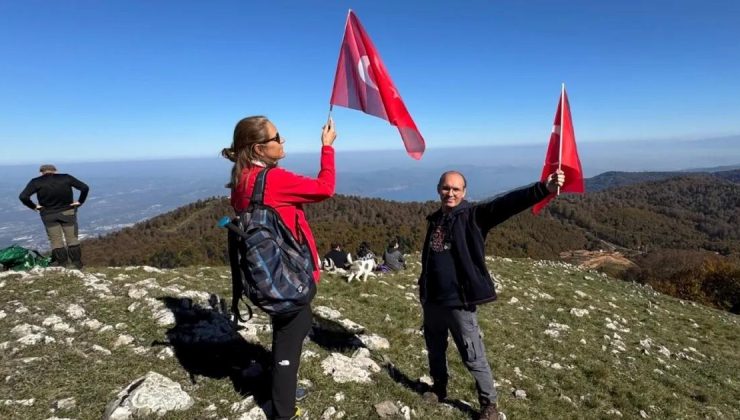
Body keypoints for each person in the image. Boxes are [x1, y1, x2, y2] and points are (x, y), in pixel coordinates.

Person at [418, 169, 565, 420]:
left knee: (473, 355)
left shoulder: (474, 216)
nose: (450, 193)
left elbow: (505, 205)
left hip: (459, 303)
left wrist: (543, 189)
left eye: (455, 189)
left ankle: (489, 405)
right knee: (435, 349)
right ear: (438, 190)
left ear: (464, 193)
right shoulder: (435, 220)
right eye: (446, 188)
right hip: (432, 301)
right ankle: (439, 389)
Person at [222, 115, 336, 420]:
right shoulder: (273, 179)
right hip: (289, 273)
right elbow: (325, 188)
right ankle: (283, 409)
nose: (282, 141)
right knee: (292, 333)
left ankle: (280, 387)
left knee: (286, 327)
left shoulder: (241, 179)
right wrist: (327, 148)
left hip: (267, 273)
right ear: (259, 149)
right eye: (277, 137)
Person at [18, 164, 89, 269]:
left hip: (48, 215)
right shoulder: (66, 177)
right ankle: (77, 264)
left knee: (56, 241)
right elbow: (84, 188)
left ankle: (63, 265)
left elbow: (23, 196)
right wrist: (80, 202)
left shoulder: (36, 182)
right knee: (72, 239)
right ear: (55, 170)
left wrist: (34, 206)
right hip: (67, 212)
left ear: (41, 172)